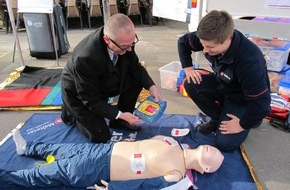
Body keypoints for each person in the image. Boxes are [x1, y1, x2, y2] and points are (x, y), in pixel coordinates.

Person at [0, 129, 224, 189]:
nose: (213, 149)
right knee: (63, 149)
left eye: (214, 155)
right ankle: (28, 147)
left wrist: (114, 189)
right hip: (105, 150)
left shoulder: (177, 175)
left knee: (43, 174)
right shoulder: (172, 142)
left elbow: (146, 186)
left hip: (98, 169)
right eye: (214, 148)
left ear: (204, 169)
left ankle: (5, 179)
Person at [177, 10, 271, 152]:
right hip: (223, 84)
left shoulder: (249, 61)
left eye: (210, 47)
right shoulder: (209, 37)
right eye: (203, 45)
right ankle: (218, 117)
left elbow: (262, 104)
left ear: (227, 39)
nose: (205, 51)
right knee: (190, 82)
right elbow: (183, 42)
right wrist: (188, 68)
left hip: (242, 99)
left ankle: (252, 120)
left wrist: (242, 124)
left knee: (224, 144)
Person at [61, 13, 161, 143]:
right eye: (125, 46)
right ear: (107, 40)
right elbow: (90, 99)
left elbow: (135, 67)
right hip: (79, 94)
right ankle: (71, 113)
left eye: (132, 43)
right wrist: (118, 113)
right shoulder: (85, 57)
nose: (130, 49)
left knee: (136, 79)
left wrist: (152, 87)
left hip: (103, 79)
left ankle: (120, 121)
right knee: (101, 136)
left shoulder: (125, 40)